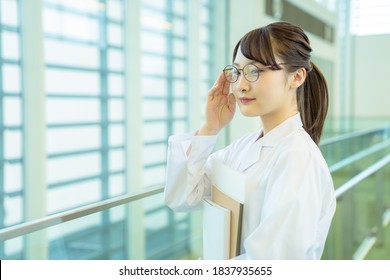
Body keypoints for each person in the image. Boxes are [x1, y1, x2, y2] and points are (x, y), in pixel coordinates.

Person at [164, 21, 336, 259]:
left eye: (255, 71)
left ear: (296, 77)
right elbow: (183, 196)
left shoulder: (298, 157)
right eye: (236, 72)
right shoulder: (244, 146)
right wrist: (210, 127)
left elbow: (272, 262)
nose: (241, 86)